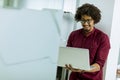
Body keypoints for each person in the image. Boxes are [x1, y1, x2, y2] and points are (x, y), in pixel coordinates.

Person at [65, 3, 110, 80]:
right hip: (74, 77)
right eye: (83, 20)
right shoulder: (73, 35)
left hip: (92, 78)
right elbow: (68, 55)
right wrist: (68, 64)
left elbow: (99, 64)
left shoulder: (102, 38)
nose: (85, 24)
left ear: (94, 20)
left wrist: (84, 69)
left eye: (88, 20)